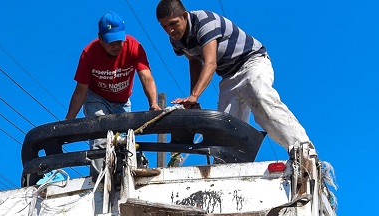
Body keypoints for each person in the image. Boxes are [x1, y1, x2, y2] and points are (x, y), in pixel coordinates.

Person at [155, 1, 310, 150]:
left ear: (184, 15)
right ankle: (228, 167)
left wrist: (195, 95)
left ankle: (302, 147)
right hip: (228, 77)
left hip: (251, 63)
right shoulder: (175, 39)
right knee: (225, 129)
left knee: (260, 97)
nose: (170, 30)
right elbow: (194, 61)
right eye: (164, 27)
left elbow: (210, 63)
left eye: (173, 23)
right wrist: (192, 99)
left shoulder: (204, 22)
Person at [65, 11, 161, 121]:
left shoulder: (134, 47)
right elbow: (80, 91)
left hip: (122, 101)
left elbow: (146, 77)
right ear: (100, 38)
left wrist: (153, 103)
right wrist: (69, 118)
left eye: (119, 41)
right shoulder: (89, 53)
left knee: (122, 137)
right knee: (100, 132)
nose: (115, 46)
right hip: (97, 98)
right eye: (111, 42)